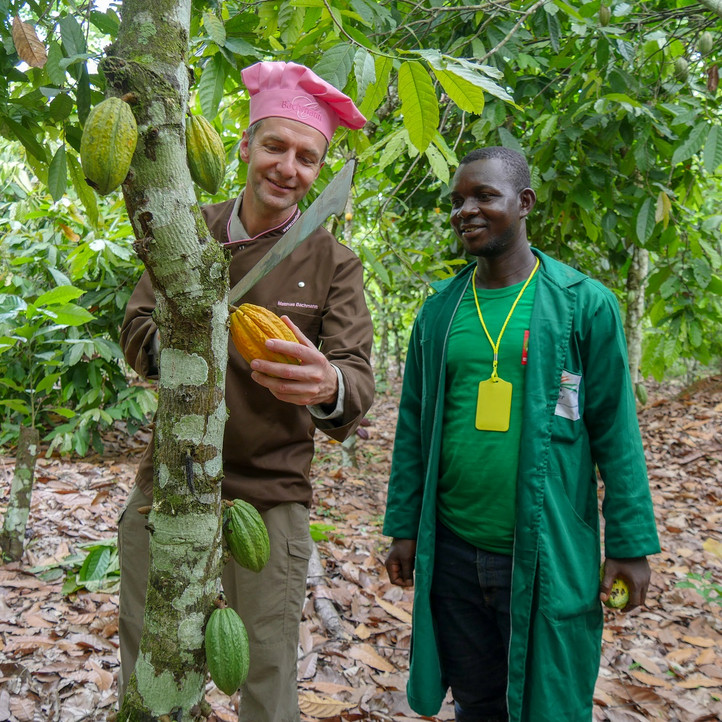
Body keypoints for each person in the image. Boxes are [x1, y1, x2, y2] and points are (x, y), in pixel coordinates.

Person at [119, 61, 375, 722]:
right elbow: (135, 333)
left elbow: (355, 383)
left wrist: (328, 384)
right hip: (170, 489)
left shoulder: (334, 264)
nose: (289, 168)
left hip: (269, 497)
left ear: (320, 170)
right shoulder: (187, 231)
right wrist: (189, 332)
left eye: (308, 157)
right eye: (275, 147)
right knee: (153, 673)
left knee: (264, 677)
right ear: (245, 145)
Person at [383, 146, 660, 722]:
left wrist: (630, 544)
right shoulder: (439, 311)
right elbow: (413, 428)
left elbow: (615, 430)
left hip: (545, 546)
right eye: (458, 200)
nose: (466, 210)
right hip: (455, 549)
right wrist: (404, 529)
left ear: (524, 202)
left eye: (484, 196)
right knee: (477, 702)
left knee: (548, 700)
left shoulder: (583, 305)